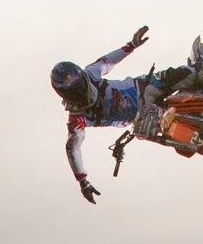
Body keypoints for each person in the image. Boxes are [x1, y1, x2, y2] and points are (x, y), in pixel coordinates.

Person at [49, 25, 151, 203]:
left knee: (183, 74)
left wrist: (131, 45)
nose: (80, 91)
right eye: (73, 89)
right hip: (137, 119)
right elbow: (72, 148)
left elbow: (107, 61)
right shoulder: (77, 118)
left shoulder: (91, 73)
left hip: (142, 88)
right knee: (162, 133)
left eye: (78, 83)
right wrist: (83, 182)